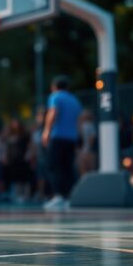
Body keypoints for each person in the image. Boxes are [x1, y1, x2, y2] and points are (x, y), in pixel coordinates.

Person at [42, 75, 82, 209]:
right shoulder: (74, 100)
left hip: (58, 136)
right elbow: (79, 121)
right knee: (67, 167)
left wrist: (47, 131)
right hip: (71, 138)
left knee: (53, 166)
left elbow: (53, 113)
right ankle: (67, 196)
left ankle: (58, 195)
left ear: (54, 87)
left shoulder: (55, 97)